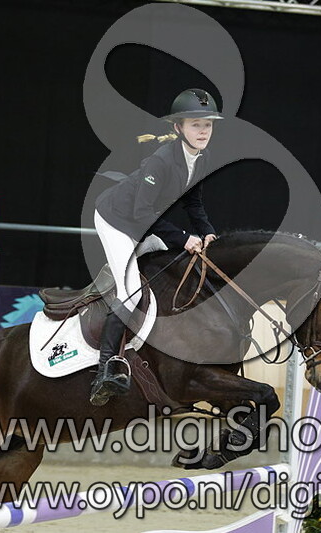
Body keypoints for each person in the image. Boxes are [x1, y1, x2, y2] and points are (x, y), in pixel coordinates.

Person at [89, 88, 222, 406]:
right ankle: (105, 370)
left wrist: (207, 232)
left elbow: (193, 203)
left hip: (143, 223)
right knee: (130, 292)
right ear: (178, 127)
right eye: (195, 125)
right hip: (116, 221)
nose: (203, 131)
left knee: (175, 262)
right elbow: (141, 214)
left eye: (207, 125)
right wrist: (184, 237)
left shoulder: (201, 158)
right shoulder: (160, 161)